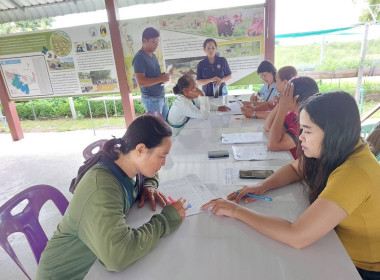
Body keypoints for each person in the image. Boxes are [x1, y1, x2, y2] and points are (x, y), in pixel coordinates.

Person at [202, 91, 380, 280]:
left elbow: (297, 236)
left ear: (334, 132)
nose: (300, 137)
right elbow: (296, 169)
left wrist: (235, 210)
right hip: (335, 245)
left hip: (361, 268)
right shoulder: (341, 148)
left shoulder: (354, 173)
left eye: (307, 130)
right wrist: (263, 185)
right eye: (301, 129)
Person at [36, 115, 187, 280]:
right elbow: (117, 257)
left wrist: (149, 186)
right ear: (141, 150)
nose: (163, 163)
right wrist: (166, 220)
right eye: (162, 156)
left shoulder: (126, 161)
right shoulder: (101, 188)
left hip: (96, 264)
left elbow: (149, 174)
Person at [264, 76, 319, 159]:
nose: (282, 96)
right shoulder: (293, 114)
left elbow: (273, 145)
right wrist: (280, 105)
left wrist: (282, 109)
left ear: (295, 98)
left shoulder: (306, 121)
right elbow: (268, 127)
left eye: (285, 94)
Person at [133, 27, 173, 118]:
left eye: (157, 41)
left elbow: (156, 76)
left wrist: (166, 75)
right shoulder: (139, 57)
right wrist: (162, 78)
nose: (156, 44)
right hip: (151, 99)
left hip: (161, 96)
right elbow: (141, 81)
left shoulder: (153, 55)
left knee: (165, 125)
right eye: (153, 42)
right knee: (157, 129)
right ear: (144, 41)